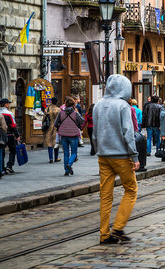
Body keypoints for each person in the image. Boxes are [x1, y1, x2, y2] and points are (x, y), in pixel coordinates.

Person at [92, 75, 139, 244]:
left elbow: (94, 133)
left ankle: (104, 234)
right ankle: (118, 227)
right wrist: (134, 156)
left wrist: (99, 149)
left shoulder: (98, 105)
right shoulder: (123, 106)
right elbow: (129, 133)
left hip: (103, 156)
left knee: (105, 196)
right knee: (131, 190)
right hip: (121, 156)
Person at [54, 97, 84, 176]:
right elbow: (82, 121)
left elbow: (55, 124)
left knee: (66, 153)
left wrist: (61, 125)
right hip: (73, 135)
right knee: (74, 152)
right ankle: (69, 164)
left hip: (63, 135)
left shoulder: (61, 113)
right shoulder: (75, 113)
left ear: (65, 104)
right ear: (73, 104)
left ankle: (66, 171)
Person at [0, 98, 19, 174]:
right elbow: (13, 125)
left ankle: (2, 167)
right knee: (13, 150)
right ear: (6, 104)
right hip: (9, 135)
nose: (9, 105)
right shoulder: (9, 114)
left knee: (1, 151)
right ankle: (9, 165)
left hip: (0, 135)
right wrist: (17, 135)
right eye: (8, 103)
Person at [44, 98, 61, 163]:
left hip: (49, 127)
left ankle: (50, 158)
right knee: (56, 142)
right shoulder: (59, 109)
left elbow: (44, 118)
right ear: (56, 102)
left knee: (49, 142)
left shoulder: (47, 109)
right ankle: (56, 157)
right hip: (57, 127)